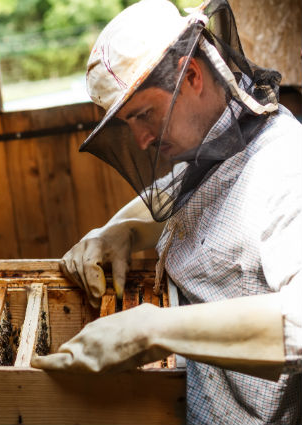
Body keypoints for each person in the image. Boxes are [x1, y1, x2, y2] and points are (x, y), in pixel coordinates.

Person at [30, 0, 302, 423]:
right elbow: (181, 201)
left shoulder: (286, 166)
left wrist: (150, 331)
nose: (139, 139)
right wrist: (118, 230)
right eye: (128, 122)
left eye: (143, 114)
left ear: (191, 75)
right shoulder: (217, 143)